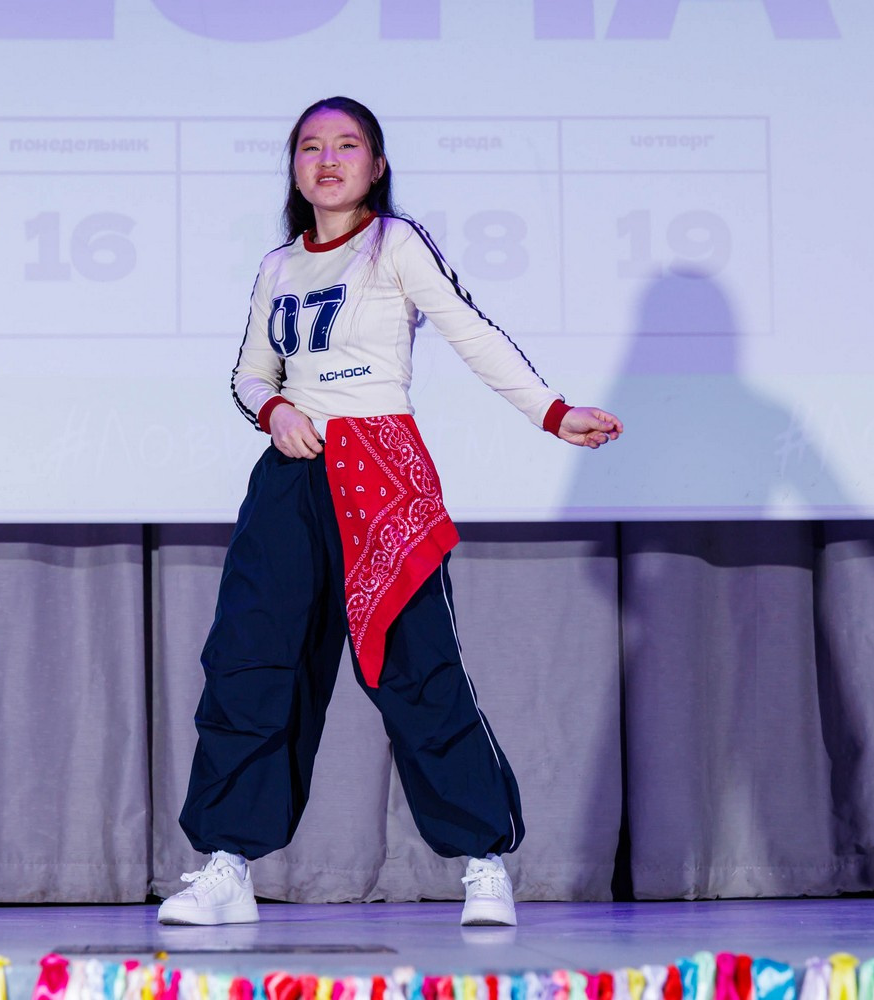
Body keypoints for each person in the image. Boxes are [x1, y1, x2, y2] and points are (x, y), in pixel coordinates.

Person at [158, 96, 622, 928]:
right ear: (294, 167)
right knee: (252, 664)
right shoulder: (277, 266)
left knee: (417, 667)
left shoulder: (395, 244)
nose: (328, 160)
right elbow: (250, 373)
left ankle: (482, 862)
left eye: (347, 146)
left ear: (376, 166)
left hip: (381, 474)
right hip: (292, 481)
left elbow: (471, 331)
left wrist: (552, 413)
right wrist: (277, 411)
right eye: (310, 146)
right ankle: (229, 864)